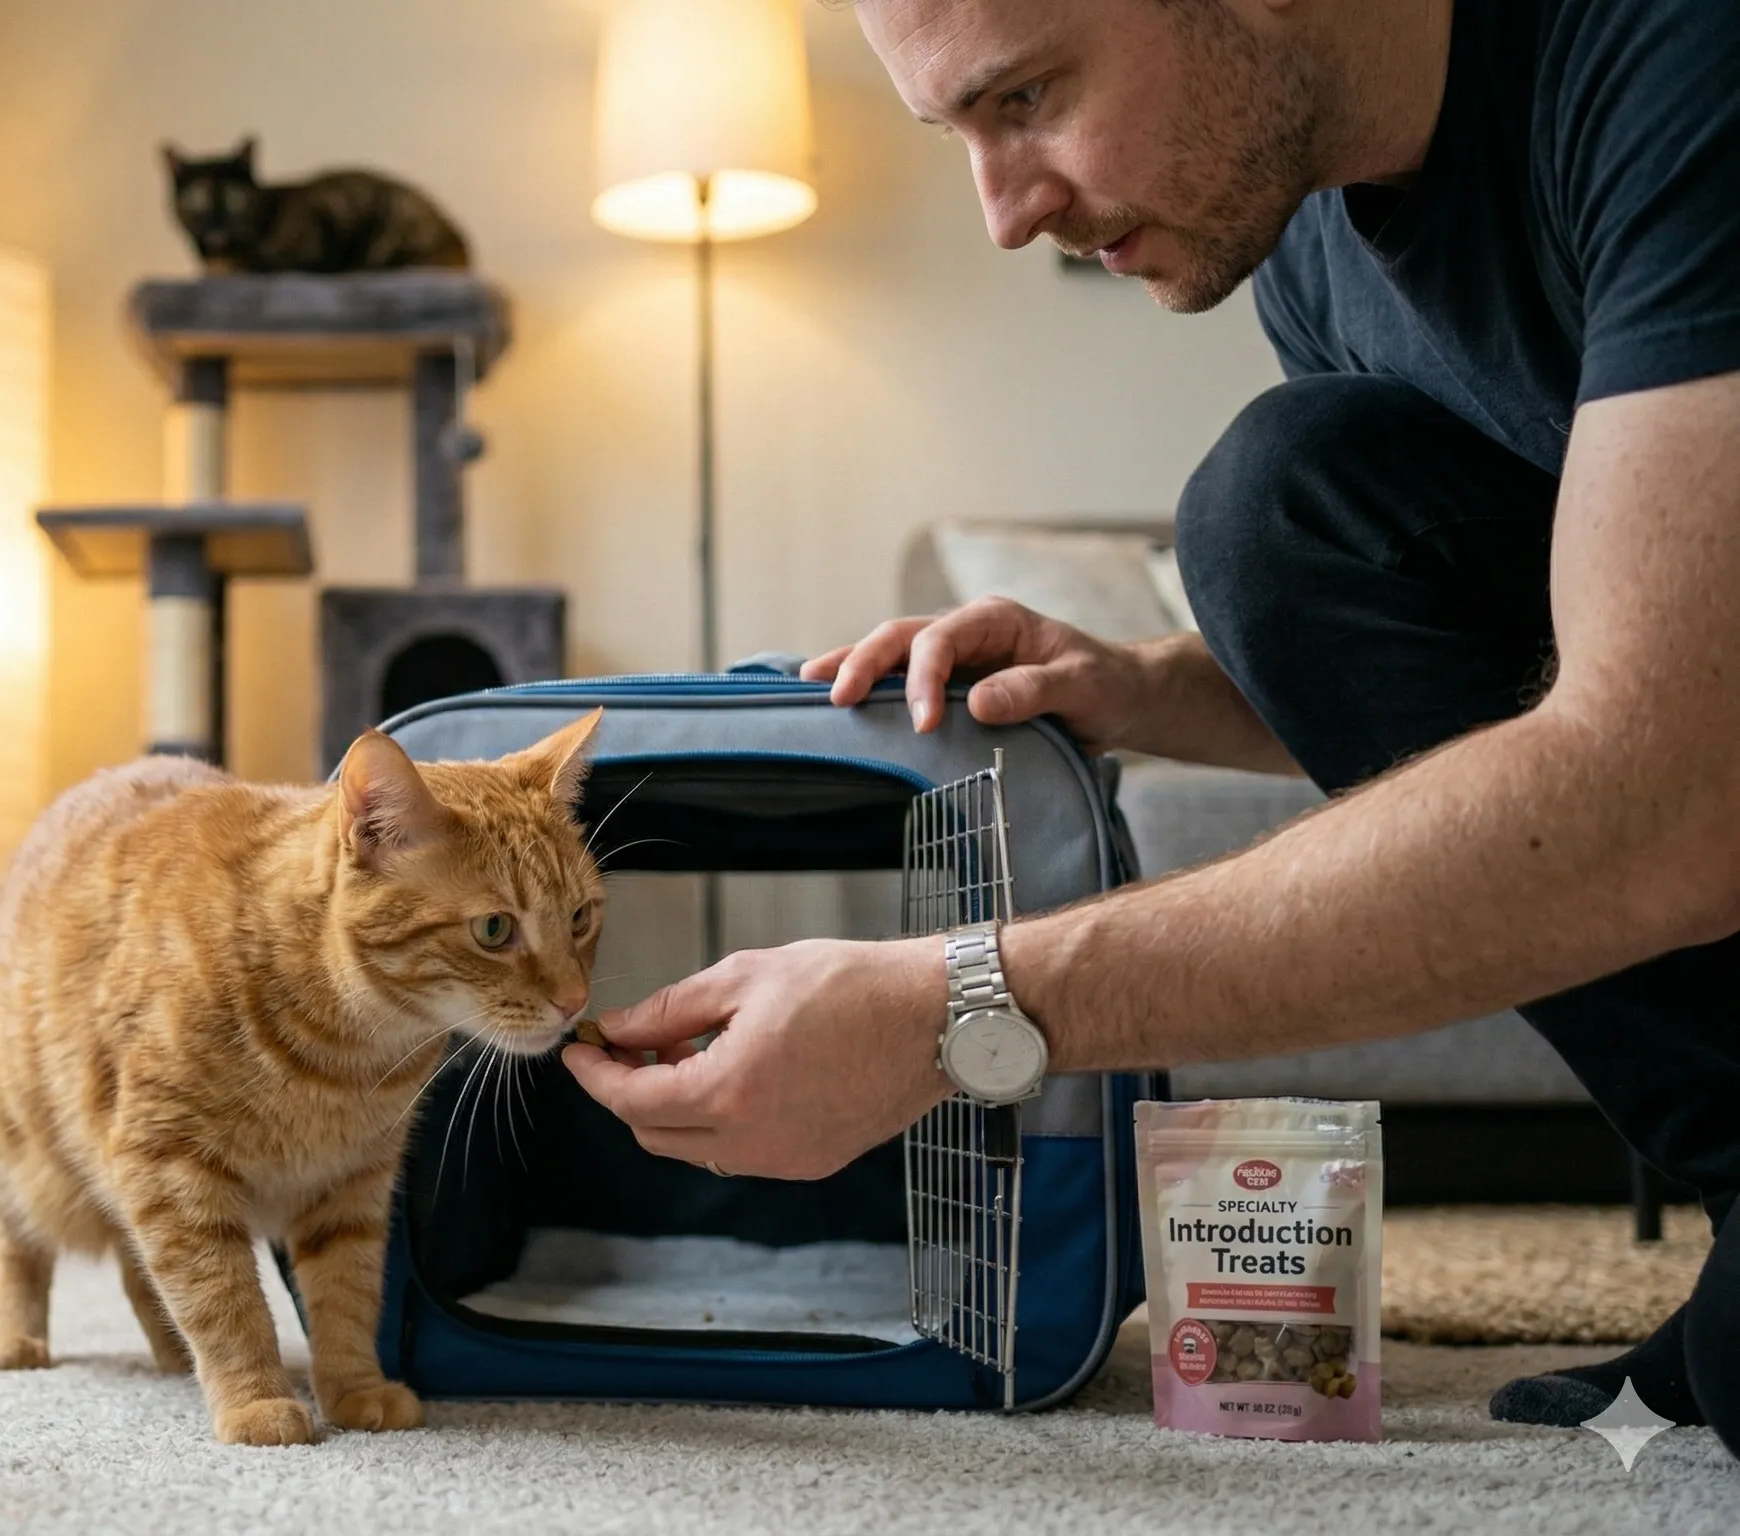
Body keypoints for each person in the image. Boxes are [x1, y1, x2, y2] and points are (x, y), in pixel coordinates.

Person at [560, 0, 1739, 1457]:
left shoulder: (1675, 66)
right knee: (1282, 509)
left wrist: (961, 1011)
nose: (1004, 213)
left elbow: (1667, 789)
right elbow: (1543, 645)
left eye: (1027, 100)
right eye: (961, 134)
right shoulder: (1313, 242)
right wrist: (1146, 688)